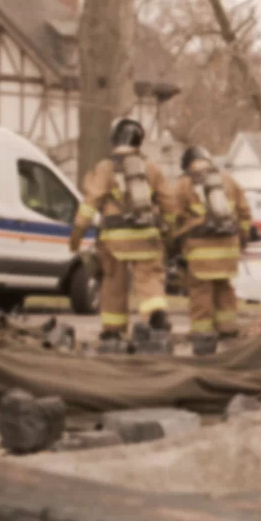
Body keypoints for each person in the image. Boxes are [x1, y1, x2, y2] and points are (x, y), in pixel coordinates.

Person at [69, 118, 175, 354]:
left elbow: (90, 203)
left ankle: (113, 332)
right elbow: (170, 205)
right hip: (146, 237)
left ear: (114, 139)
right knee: (150, 281)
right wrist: (169, 233)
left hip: (114, 240)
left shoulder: (104, 168)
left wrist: (77, 232)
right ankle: (157, 319)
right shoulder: (152, 168)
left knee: (113, 284)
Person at [172, 146, 253, 356]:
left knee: (201, 291)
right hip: (229, 249)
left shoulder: (184, 184)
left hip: (200, 251)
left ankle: (203, 336)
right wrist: (242, 240)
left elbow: (173, 216)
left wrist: (175, 241)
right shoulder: (229, 181)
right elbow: (244, 213)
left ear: (186, 165)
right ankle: (227, 330)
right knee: (224, 288)